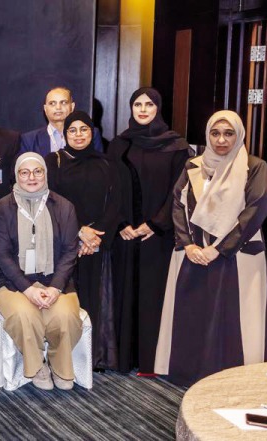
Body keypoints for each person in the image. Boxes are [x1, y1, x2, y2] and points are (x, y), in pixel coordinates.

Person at [154, 111, 267, 387]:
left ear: (239, 135)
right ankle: (191, 371)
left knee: (232, 318)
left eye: (228, 133)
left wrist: (219, 249)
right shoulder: (193, 166)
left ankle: (236, 375)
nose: (221, 140)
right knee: (196, 314)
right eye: (215, 133)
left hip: (236, 255)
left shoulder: (254, 167)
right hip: (196, 253)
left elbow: (256, 210)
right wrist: (188, 245)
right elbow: (178, 204)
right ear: (207, 135)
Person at [108, 87, 191, 374]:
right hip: (126, 234)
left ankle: (152, 361)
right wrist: (121, 223)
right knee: (125, 292)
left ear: (158, 108)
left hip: (159, 235)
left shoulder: (178, 146)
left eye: (149, 104)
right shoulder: (118, 144)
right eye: (137, 104)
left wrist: (155, 223)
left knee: (154, 296)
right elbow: (110, 187)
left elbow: (180, 191)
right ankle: (124, 358)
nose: (143, 109)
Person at [0, 152, 83, 390]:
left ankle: (60, 366)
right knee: (24, 315)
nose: (31, 177)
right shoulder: (2, 209)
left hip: (54, 281)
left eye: (37, 171)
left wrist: (55, 287)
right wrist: (28, 289)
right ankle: (37, 366)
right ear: (16, 176)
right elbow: (2, 256)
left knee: (66, 316)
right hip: (11, 283)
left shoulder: (64, 207)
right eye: (25, 172)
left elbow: (70, 252)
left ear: (45, 174)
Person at [46, 111, 122, 370]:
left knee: (96, 301)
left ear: (92, 133)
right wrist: (79, 232)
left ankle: (94, 357)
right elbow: (50, 201)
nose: (78, 135)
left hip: (97, 247)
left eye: (84, 130)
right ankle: (65, 357)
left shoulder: (107, 163)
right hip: (65, 244)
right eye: (72, 130)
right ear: (64, 134)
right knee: (67, 303)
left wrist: (96, 236)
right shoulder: (53, 162)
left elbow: (116, 203)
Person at [20, 87, 102, 156]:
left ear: (72, 106)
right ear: (45, 109)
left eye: (63, 102)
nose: (58, 107)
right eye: (52, 103)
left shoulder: (90, 134)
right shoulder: (29, 140)